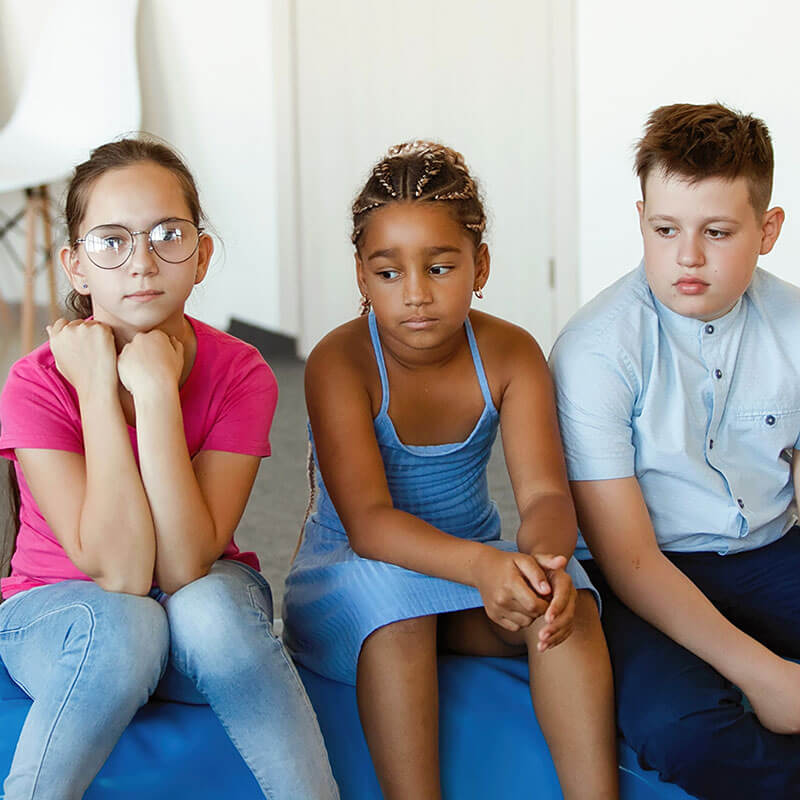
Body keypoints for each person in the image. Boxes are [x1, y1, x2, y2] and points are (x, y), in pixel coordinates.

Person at [0, 138, 338, 800]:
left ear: (202, 254)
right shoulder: (32, 383)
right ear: (74, 266)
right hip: (61, 615)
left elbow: (184, 566)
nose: (142, 263)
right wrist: (97, 391)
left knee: (205, 607)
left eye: (167, 235)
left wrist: (154, 395)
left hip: (197, 608)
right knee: (128, 624)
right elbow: (122, 573)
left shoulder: (241, 372)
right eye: (111, 242)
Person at [283, 141, 618, 800]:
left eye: (439, 268)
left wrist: (543, 560)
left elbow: (546, 492)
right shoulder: (339, 362)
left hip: (469, 568)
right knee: (401, 611)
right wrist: (483, 569)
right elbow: (372, 526)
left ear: (479, 263)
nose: (415, 296)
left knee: (564, 601)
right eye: (388, 274)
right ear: (360, 275)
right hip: (353, 576)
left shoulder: (511, 352)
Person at [549, 103, 800, 799]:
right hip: (641, 572)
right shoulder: (595, 350)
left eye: (717, 232)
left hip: (771, 548)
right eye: (665, 230)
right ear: (641, 221)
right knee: (683, 731)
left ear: (767, 229)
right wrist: (768, 676)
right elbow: (629, 558)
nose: (687, 257)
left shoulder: (796, 325)